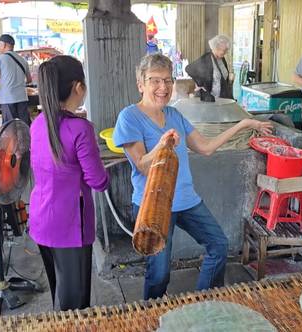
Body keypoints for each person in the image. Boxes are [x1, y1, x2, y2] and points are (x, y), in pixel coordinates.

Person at [112, 54, 273, 300]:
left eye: (167, 80)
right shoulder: (129, 117)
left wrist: (243, 124)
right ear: (140, 84)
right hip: (154, 206)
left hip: (187, 200)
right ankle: (151, 315)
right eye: (155, 80)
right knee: (159, 274)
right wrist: (163, 145)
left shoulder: (175, 115)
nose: (163, 87)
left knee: (218, 246)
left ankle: (202, 304)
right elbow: (143, 165)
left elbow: (206, 147)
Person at [28, 55, 109, 311]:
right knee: (74, 305)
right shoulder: (81, 129)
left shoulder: (38, 123)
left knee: (59, 294)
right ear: (77, 87)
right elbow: (98, 181)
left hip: (41, 218)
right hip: (70, 227)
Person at [0, 34, 32, 125]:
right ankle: (25, 140)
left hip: (7, 98)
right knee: (23, 125)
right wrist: (18, 82)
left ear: (3, 45)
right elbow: (29, 80)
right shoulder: (23, 60)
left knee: (10, 127)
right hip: (22, 97)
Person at [184, 35, 234, 99]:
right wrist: (200, 84)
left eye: (226, 50)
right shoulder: (206, 58)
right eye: (224, 50)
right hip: (210, 98)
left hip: (222, 97)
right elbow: (189, 69)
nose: (225, 52)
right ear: (217, 47)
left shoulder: (222, 59)